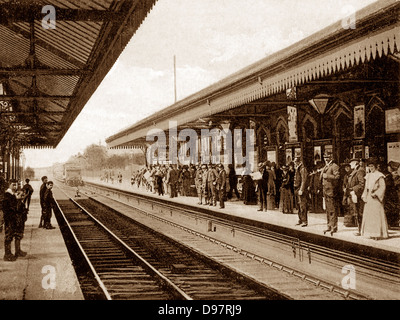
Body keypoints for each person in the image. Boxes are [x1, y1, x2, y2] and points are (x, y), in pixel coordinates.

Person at [360, 158, 388, 240]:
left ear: (375, 166)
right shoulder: (368, 175)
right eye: (369, 166)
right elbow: (366, 187)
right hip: (369, 197)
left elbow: (383, 187)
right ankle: (370, 233)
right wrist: (364, 195)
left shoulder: (379, 175)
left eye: (372, 166)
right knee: (369, 215)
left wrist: (376, 194)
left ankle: (378, 234)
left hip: (375, 198)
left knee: (376, 215)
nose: (370, 168)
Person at [3, 179, 27, 261]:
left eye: (16, 185)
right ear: (9, 184)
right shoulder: (7, 195)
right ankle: (7, 254)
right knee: (9, 237)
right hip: (10, 219)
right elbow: (10, 208)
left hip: (14, 219)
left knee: (17, 234)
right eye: (13, 184)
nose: (15, 186)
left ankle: (17, 251)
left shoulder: (12, 195)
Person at [345, 158, 366, 235]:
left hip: (358, 195)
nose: (350, 165)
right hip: (355, 194)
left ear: (355, 163)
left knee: (360, 212)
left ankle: (361, 230)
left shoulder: (360, 171)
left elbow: (362, 184)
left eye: (351, 163)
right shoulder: (356, 171)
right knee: (357, 212)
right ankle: (360, 229)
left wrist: (353, 189)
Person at [321, 153, 340, 235]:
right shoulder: (326, 166)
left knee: (332, 209)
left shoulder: (334, 166)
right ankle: (329, 225)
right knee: (328, 209)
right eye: (325, 157)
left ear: (331, 158)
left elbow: (337, 177)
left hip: (331, 190)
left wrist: (327, 176)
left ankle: (334, 226)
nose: (326, 159)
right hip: (325, 190)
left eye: (327, 157)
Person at [382, 162, 400, 228]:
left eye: (389, 166)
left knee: (392, 208)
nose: (388, 168)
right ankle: (392, 223)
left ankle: (393, 223)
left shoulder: (395, 176)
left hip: (392, 195)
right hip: (390, 195)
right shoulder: (390, 175)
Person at [294, 157, 309, 227]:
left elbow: (304, 180)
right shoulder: (298, 168)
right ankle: (300, 219)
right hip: (297, 188)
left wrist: (301, 189)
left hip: (300, 189)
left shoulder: (303, 169)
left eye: (296, 162)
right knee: (299, 205)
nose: (295, 163)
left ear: (299, 162)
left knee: (302, 205)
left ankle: (304, 221)